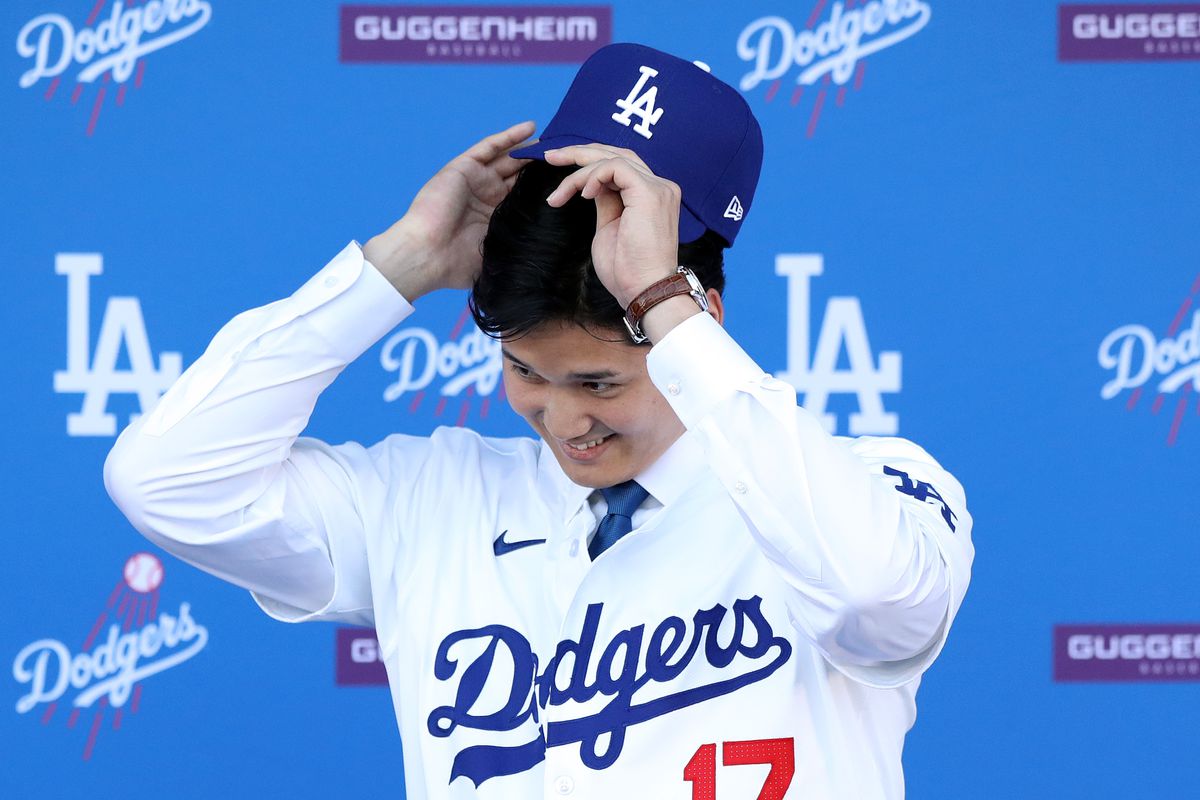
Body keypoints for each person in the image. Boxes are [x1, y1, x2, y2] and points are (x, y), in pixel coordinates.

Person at [105, 43, 973, 799]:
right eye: (525, 371)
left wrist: (661, 305)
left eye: (598, 382)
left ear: (701, 315)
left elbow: (877, 600)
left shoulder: (867, 492)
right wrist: (398, 265)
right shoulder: (430, 496)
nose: (564, 420)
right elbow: (168, 481)